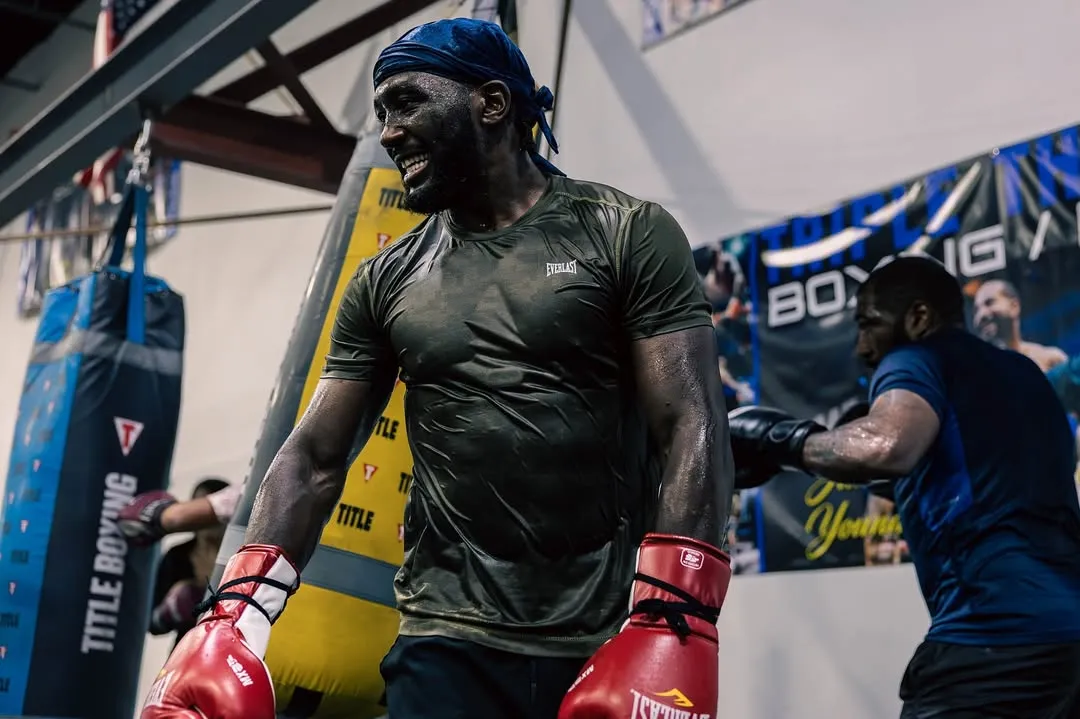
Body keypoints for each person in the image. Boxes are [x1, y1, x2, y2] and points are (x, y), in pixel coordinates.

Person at [139, 18, 735, 719]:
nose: (389, 132)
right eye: (382, 112)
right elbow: (316, 453)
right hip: (444, 635)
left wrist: (675, 616)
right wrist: (234, 610)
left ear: (492, 103)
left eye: (406, 102)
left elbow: (690, 419)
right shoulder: (386, 278)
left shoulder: (623, 231)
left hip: (604, 633)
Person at [729, 256, 1080, 718]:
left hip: (992, 639)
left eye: (868, 325)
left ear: (918, 317)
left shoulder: (916, 357)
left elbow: (887, 445)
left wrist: (781, 443)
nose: (862, 347)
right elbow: (1000, 478)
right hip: (1069, 643)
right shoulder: (1023, 373)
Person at [146, 478, 231, 648]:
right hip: (188, 651)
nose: (208, 519)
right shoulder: (178, 556)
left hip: (232, 649)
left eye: (212, 512)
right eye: (202, 512)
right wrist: (169, 609)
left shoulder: (242, 554)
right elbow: (153, 625)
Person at [972, 278, 1068, 372]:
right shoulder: (975, 372)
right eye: (976, 310)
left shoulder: (1050, 359)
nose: (981, 315)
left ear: (1014, 306)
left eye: (989, 303)